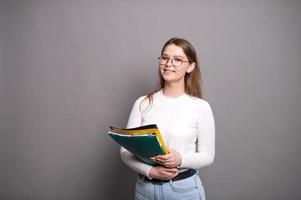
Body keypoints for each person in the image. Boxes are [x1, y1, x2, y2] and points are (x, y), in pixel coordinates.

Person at [120, 37, 215, 200]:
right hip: (145, 191)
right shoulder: (142, 103)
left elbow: (208, 156)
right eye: (165, 58)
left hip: (184, 192)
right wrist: (150, 171)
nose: (169, 63)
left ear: (190, 66)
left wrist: (181, 159)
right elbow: (125, 152)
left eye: (178, 60)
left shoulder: (201, 107)